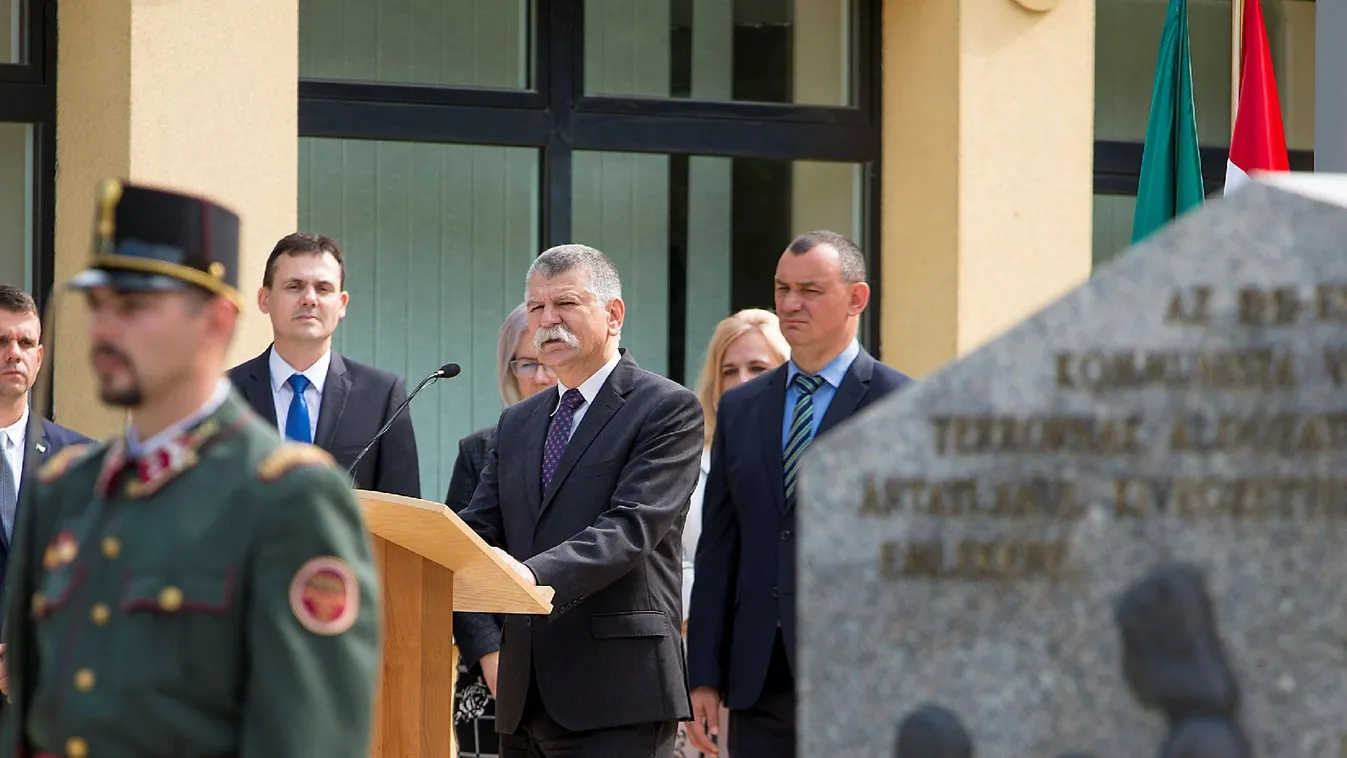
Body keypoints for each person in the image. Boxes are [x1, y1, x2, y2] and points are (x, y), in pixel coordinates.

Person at [0, 180, 381, 758]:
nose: (103, 329)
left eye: (133, 307)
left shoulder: (289, 497)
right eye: (98, 305)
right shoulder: (67, 488)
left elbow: (308, 738)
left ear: (216, 323)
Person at [454, 243, 704, 757]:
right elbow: (480, 526)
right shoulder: (518, 422)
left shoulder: (667, 409)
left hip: (617, 694)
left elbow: (629, 528)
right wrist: (426, 563)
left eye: (565, 303)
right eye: (536, 307)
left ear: (613, 315)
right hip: (525, 696)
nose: (547, 320)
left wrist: (529, 575)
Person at [685, 231, 914, 757]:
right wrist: (703, 675)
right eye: (782, 288)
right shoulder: (741, 408)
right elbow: (721, 550)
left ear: (857, 298)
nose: (790, 304)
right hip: (757, 678)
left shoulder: (900, 403)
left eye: (809, 290)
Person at [445, 302, 557, 757]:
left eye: (548, 361)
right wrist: (490, 653)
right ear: (509, 370)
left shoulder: (601, 442)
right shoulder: (480, 451)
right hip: (491, 673)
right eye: (526, 362)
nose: (540, 375)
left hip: (577, 665)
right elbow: (458, 557)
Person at [228, 232, 421, 497]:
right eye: (294, 286)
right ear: (265, 299)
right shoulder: (225, 393)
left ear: (341, 304)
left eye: (323, 288)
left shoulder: (382, 395)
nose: (309, 299)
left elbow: (405, 515)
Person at [675, 309, 789, 758]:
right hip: (689, 650)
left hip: (767, 668)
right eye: (730, 370)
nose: (742, 381)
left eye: (758, 368)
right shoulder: (685, 458)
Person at [0, 285, 90, 599]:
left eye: (25, 343)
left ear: (38, 358)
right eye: (1, 341)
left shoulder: (81, 459)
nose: (14, 353)